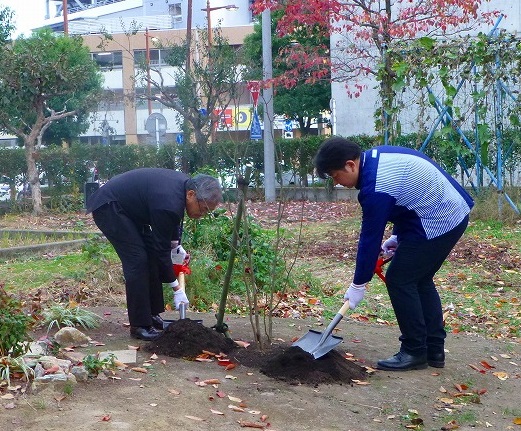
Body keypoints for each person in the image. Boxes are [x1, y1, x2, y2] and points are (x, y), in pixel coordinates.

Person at [314, 137, 474, 371]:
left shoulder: (375, 187)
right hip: (448, 211)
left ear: (350, 165)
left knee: (401, 279)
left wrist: (359, 284)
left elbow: (369, 239)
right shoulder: (376, 159)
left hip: (440, 218)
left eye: (335, 176)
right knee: (419, 279)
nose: (337, 183)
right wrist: (399, 236)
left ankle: (414, 351)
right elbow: (408, 194)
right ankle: (433, 349)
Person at [86, 168, 222, 341]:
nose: (201, 215)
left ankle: (151, 316)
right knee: (137, 260)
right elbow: (161, 248)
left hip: (130, 211)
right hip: (110, 208)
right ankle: (140, 326)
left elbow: (170, 225)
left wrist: (176, 247)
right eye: (202, 209)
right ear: (191, 194)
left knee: (150, 257)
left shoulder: (181, 190)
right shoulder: (170, 201)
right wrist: (176, 288)